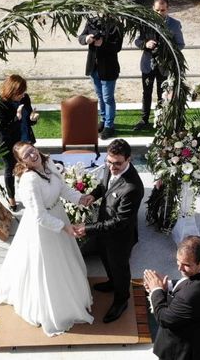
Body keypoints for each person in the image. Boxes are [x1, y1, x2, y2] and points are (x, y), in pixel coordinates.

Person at [0, 142, 95, 336]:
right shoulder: (29, 181)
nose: (32, 155)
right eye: (26, 155)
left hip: (58, 214)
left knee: (67, 260)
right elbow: (39, 217)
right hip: (44, 228)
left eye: (32, 150)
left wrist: (81, 198)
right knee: (49, 267)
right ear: (22, 162)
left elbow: (63, 189)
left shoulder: (48, 163)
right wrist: (65, 228)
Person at [75, 138, 144, 323]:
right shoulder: (110, 165)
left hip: (119, 237)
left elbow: (119, 222)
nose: (112, 167)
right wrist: (93, 195)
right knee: (105, 258)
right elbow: (104, 186)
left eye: (118, 164)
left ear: (129, 159)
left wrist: (87, 228)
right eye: (110, 162)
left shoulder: (133, 188)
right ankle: (112, 283)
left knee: (119, 268)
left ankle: (122, 300)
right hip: (104, 229)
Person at [143, 235, 200, 360]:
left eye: (186, 265)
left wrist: (156, 290)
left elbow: (164, 318)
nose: (179, 268)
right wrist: (167, 285)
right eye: (178, 262)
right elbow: (188, 282)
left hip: (184, 351)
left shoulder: (190, 296)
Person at [132, 0, 184, 131]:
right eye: (157, 10)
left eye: (163, 10)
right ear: (152, 9)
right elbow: (137, 41)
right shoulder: (145, 22)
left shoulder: (174, 24)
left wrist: (166, 48)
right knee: (146, 93)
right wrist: (146, 44)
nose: (160, 13)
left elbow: (180, 44)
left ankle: (161, 119)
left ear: (168, 9)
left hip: (164, 66)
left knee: (162, 93)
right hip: (147, 64)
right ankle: (144, 120)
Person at [0, 74, 39, 211]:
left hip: (25, 139)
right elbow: (2, 129)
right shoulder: (0, 105)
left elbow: (28, 119)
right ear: (11, 91)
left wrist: (33, 119)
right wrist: (17, 118)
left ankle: (32, 195)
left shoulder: (25, 98)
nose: (22, 95)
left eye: (23, 92)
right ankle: (12, 199)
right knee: (10, 169)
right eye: (19, 93)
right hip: (9, 143)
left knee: (30, 166)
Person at [78, 16, 123, 139]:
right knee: (100, 96)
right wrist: (86, 39)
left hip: (109, 68)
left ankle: (109, 126)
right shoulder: (92, 21)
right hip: (94, 67)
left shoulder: (116, 23)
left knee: (108, 98)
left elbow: (117, 46)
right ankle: (104, 120)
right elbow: (81, 37)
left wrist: (103, 43)